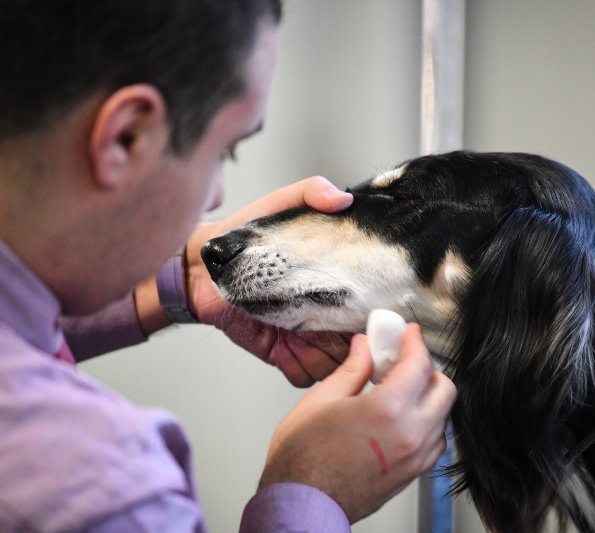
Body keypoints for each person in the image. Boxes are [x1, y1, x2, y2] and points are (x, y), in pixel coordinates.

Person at [0, 1, 457, 531]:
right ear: (127, 135)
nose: (217, 196)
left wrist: (188, 282)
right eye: (226, 152)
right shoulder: (104, 492)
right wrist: (311, 492)